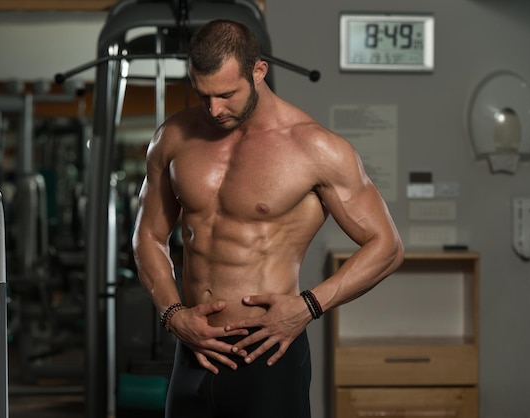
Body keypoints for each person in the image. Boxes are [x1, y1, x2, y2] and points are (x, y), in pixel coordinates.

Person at [132, 19, 404, 418]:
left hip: (267, 353)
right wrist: (174, 315)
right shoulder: (174, 136)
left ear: (258, 72)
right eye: (202, 94)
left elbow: (388, 247)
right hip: (193, 350)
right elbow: (148, 237)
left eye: (226, 94)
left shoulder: (315, 148)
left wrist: (308, 305)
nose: (214, 109)